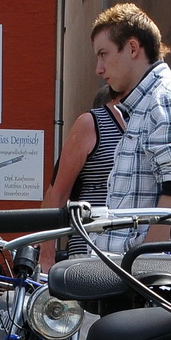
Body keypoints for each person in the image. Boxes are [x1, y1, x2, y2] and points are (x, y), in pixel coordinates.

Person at [88, 4, 171, 255]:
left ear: (132, 48)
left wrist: (147, 259)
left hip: (146, 278)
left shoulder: (163, 97)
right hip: (137, 273)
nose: (98, 68)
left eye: (103, 54)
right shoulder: (149, 100)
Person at [39, 86, 124, 268]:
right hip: (88, 248)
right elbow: (56, 194)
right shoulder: (91, 125)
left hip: (132, 248)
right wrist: (46, 256)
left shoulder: (150, 126)